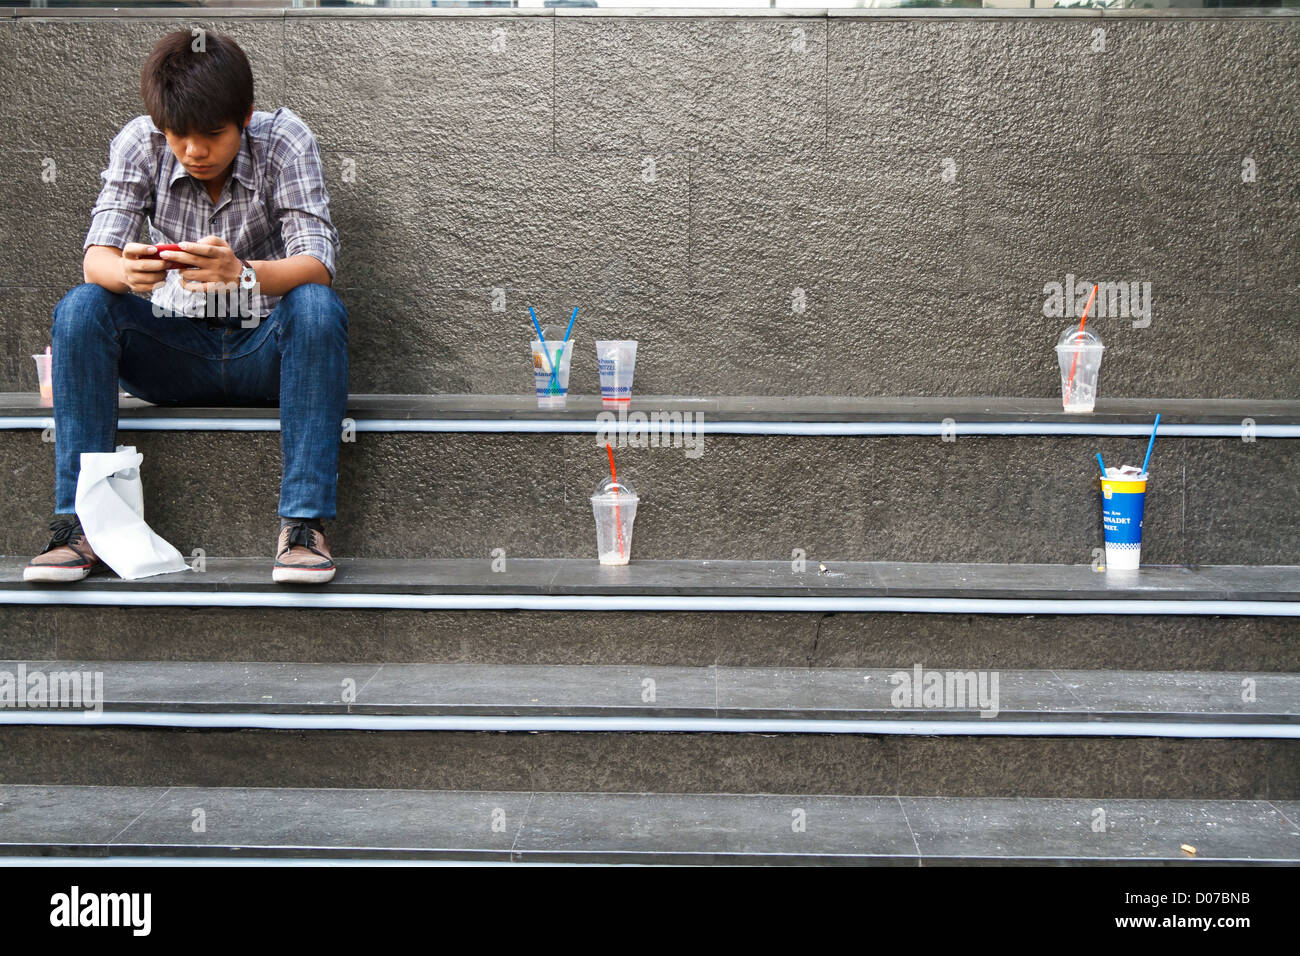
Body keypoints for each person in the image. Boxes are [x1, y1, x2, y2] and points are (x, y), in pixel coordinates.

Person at [25, 29, 347, 585]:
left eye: (212, 135)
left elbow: (317, 261)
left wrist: (243, 274)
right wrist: (126, 272)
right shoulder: (139, 142)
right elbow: (95, 256)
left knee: (317, 306)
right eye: (178, 136)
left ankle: (302, 525)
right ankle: (79, 524)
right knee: (82, 308)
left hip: (265, 347)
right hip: (173, 349)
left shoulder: (285, 140)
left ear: (244, 117)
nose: (194, 151)